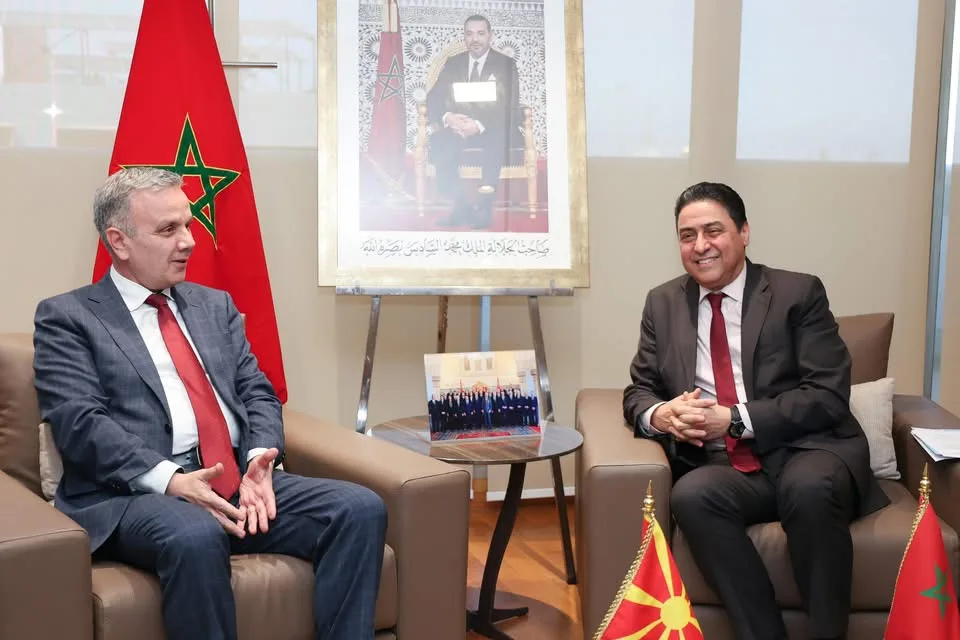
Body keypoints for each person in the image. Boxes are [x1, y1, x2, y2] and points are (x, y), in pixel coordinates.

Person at [32, 167, 387, 640]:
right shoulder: (68, 317)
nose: (189, 241)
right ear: (119, 241)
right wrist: (173, 480)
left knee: (358, 508)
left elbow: (257, 391)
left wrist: (259, 458)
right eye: (168, 229)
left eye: (188, 223)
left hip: (233, 481)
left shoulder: (213, 306)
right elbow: (80, 424)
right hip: (136, 495)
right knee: (195, 532)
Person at [622, 182, 889, 640]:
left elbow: (827, 394)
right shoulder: (662, 303)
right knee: (691, 495)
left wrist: (735, 419)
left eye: (713, 231)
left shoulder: (797, 293)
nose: (700, 246)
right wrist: (660, 414)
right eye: (687, 236)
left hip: (808, 449)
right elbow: (639, 391)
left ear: (744, 233)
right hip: (729, 467)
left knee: (808, 488)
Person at [426, 13, 520, 229]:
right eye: (469, 34)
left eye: (480, 33)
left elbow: (510, 105)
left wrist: (477, 126)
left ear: (490, 36)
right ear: (464, 37)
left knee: (496, 139)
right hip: (458, 128)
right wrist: (449, 118)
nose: (474, 39)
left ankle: (484, 208)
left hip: (492, 128)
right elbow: (433, 97)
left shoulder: (506, 64)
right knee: (440, 140)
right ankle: (460, 207)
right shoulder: (454, 63)